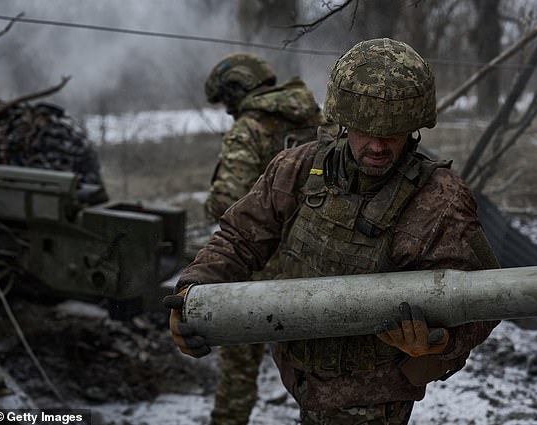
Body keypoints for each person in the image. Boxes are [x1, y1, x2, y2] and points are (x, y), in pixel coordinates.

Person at [166, 38, 500, 424]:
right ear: (343, 119)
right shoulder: (297, 167)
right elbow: (239, 236)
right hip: (303, 379)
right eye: (364, 129)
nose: (377, 145)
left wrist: (437, 343)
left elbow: (483, 300)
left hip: (374, 396)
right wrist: (192, 290)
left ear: (414, 126)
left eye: (393, 132)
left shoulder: (441, 200)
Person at [202, 52, 323, 425]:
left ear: (239, 89)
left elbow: (227, 200)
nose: (228, 111)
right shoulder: (316, 119)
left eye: (227, 100)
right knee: (321, 376)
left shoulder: (250, 128)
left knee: (238, 371)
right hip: (316, 267)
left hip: (258, 271)